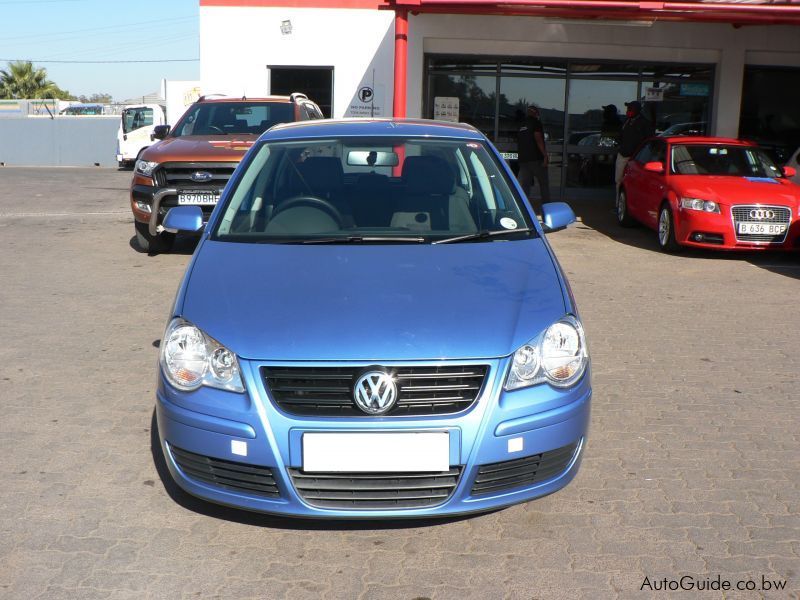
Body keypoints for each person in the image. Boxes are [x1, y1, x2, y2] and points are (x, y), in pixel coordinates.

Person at [517, 104, 550, 209]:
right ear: (536, 113)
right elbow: (538, 139)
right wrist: (545, 155)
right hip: (536, 159)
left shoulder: (521, 124)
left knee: (525, 185)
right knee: (543, 184)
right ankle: (547, 207)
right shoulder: (536, 123)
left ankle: (524, 208)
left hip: (523, 160)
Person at [615, 100, 654, 187]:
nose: (628, 111)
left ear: (637, 110)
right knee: (619, 179)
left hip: (636, 157)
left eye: (630, 109)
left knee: (634, 181)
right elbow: (620, 136)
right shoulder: (626, 122)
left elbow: (649, 141)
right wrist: (620, 147)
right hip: (623, 154)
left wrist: (640, 154)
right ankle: (619, 199)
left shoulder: (645, 123)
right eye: (628, 109)